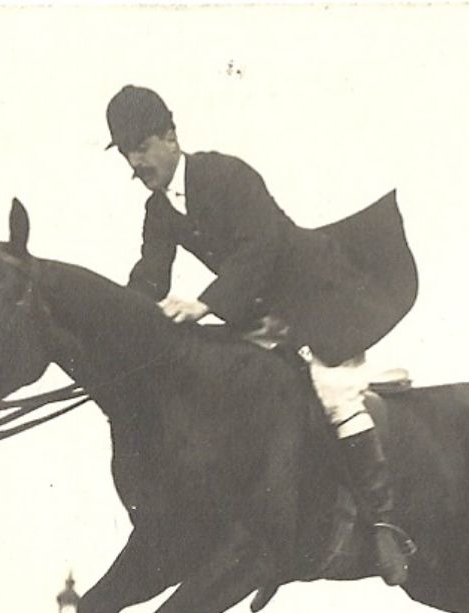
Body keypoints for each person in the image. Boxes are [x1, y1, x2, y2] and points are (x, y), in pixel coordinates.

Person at [105, 85, 419, 584]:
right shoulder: (159, 211)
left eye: (140, 147)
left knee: (334, 394)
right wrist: (116, 320)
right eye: (125, 152)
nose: (134, 162)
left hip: (321, 299)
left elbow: (259, 249)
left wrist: (204, 303)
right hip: (262, 319)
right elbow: (149, 277)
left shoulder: (226, 175)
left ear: (170, 136)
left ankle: (384, 525)